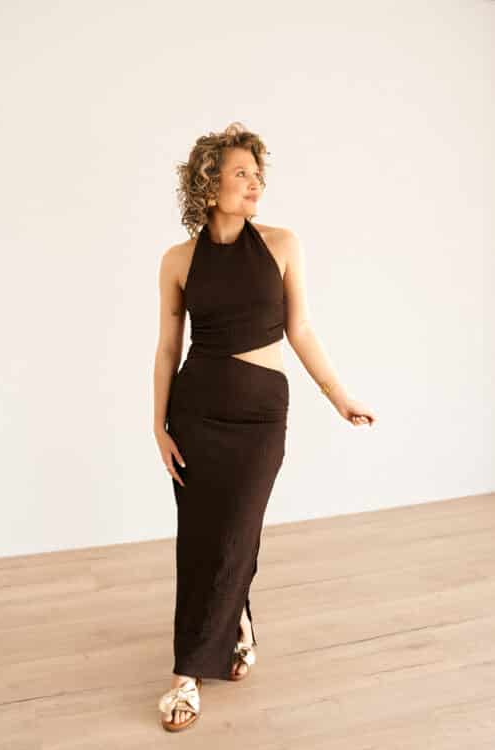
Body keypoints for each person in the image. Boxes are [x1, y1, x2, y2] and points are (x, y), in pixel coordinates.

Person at [153, 122, 377, 731]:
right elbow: (168, 348)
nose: (255, 184)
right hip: (195, 412)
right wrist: (158, 426)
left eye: (258, 174)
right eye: (241, 174)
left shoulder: (282, 245)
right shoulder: (177, 261)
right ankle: (193, 667)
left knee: (237, 530)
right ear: (209, 185)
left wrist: (338, 396)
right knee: (201, 538)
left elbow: (300, 329)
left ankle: (212, 644)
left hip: (259, 416)